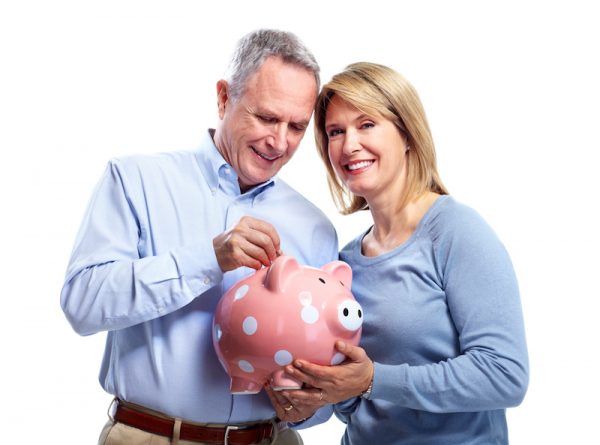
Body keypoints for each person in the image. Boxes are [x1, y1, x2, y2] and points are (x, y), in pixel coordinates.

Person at [60, 29, 338, 445]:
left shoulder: (315, 228)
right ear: (224, 98)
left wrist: (308, 403)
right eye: (266, 118)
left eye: (296, 126)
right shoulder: (136, 180)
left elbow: (321, 392)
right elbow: (83, 304)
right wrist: (210, 259)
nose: (279, 142)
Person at [269, 62, 529, 444]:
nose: (349, 145)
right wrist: (304, 403)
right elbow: (352, 404)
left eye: (366, 124)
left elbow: (504, 374)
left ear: (406, 133)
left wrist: (375, 379)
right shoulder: (344, 262)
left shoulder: (456, 232)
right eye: (335, 132)